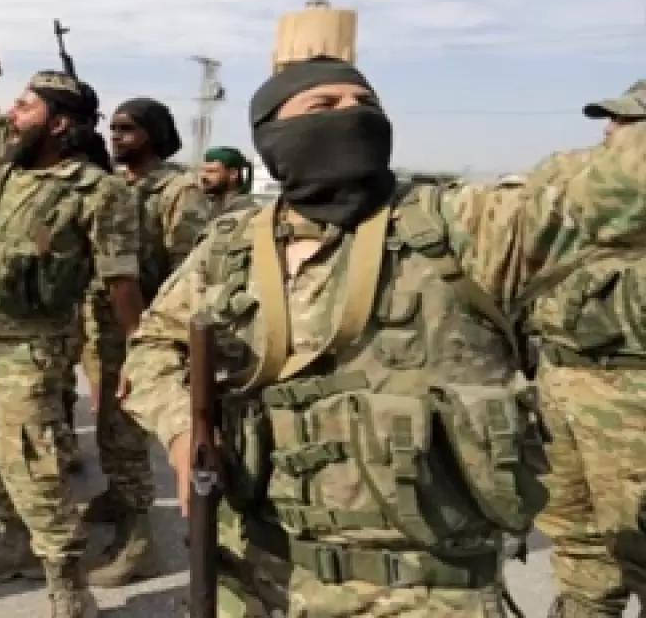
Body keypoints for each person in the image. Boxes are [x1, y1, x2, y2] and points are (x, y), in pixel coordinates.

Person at [119, 56, 646, 616]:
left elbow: (609, 189)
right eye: (324, 105)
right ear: (272, 134)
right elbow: (152, 347)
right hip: (256, 574)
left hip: (424, 592)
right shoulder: (231, 246)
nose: (354, 114)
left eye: (366, 104)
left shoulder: (463, 226)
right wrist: (183, 431)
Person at [0, 0, 142, 618]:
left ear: (58, 123)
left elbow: (121, 282)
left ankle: (67, 583)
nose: (12, 111)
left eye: (26, 105)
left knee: (36, 462)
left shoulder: (99, 191)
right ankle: (17, 539)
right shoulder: (10, 159)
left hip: (30, 349)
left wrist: (139, 354)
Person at [527, 79, 646, 617]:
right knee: (577, 543)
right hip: (562, 386)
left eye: (627, 121)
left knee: (637, 542)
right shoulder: (576, 192)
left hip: (631, 402)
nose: (610, 131)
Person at [80, 97, 210, 588]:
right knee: (110, 427)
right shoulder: (118, 186)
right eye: (112, 128)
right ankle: (119, 497)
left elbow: (189, 270)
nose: (115, 137)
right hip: (105, 327)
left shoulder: (178, 191)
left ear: (153, 134)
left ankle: (138, 542)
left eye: (127, 129)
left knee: (126, 432)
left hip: (144, 328)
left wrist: (156, 338)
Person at [198, 145, 257, 214]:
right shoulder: (213, 203)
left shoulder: (244, 209)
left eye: (211, 171)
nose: (203, 176)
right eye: (203, 170)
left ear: (233, 174)